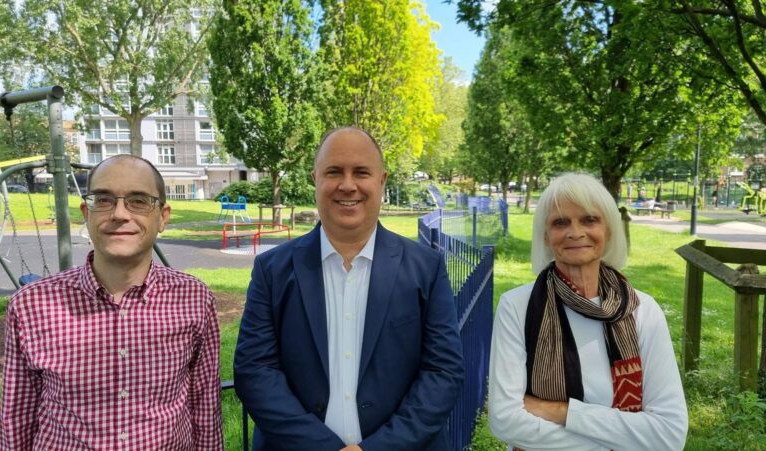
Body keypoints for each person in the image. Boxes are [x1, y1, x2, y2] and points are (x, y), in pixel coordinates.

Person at [234, 126, 464, 450]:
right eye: (333, 172)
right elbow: (255, 371)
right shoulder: (272, 270)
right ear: (315, 178)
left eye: (361, 172)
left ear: (381, 180)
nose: (347, 185)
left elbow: (443, 372)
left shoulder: (425, 268)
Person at [0, 155, 223, 450]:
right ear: (86, 212)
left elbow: (205, 408)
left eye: (139, 201)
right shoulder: (32, 305)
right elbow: (17, 419)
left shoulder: (194, 299)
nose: (119, 213)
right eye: (103, 200)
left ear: (163, 217)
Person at [487, 173, 687, 450]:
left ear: (608, 231)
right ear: (545, 236)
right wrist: (623, 440)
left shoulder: (642, 310)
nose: (575, 232)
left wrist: (561, 412)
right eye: (560, 222)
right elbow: (505, 421)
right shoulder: (517, 307)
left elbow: (669, 435)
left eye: (589, 220)